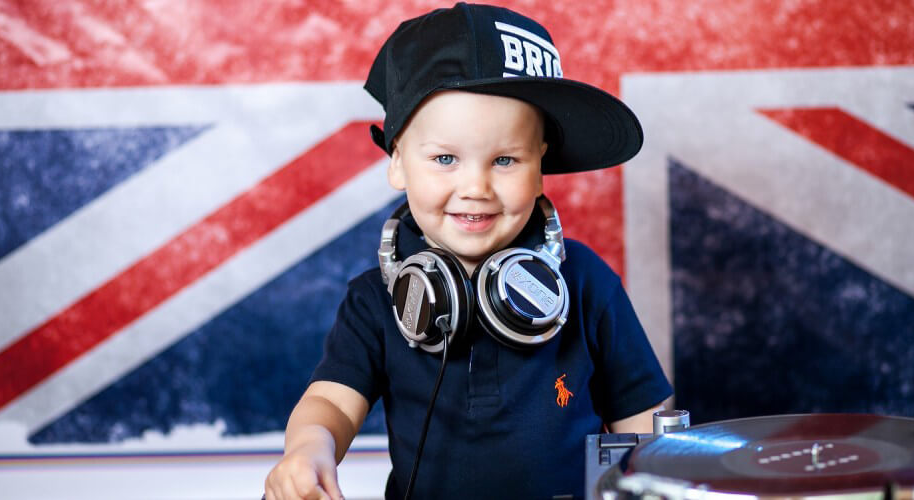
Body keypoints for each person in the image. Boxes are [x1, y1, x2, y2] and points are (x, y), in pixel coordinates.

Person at [264, 3, 672, 499]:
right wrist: (309, 446)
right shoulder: (375, 299)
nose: (475, 186)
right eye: (444, 159)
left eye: (504, 159)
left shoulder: (584, 280)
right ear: (397, 162)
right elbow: (330, 401)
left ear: (541, 164)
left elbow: (648, 421)